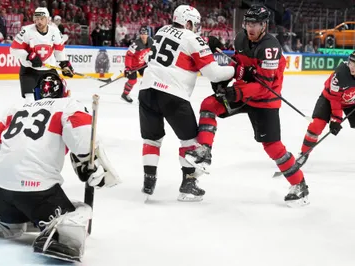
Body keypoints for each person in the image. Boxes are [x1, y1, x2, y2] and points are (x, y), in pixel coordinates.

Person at [0, 74, 120, 262]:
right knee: (80, 210)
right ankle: (61, 238)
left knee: (11, 213)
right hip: (37, 194)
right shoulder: (68, 105)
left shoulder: (16, 107)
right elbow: (84, 143)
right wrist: (92, 163)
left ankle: (2, 219)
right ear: (65, 92)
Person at [185, 4, 309, 206]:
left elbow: (264, 86)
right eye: (248, 23)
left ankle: (300, 186)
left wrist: (238, 90)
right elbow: (238, 64)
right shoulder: (241, 38)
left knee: (273, 147)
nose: (251, 28)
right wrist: (224, 77)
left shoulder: (270, 47)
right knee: (209, 104)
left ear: (264, 25)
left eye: (256, 24)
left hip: (265, 100)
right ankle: (204, 152)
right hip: (244, 93)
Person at [138, 5, 242, 201]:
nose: (196, 28)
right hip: (173, 94)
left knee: (151, 140)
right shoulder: (192, 38)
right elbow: (214, 73)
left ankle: (148, 183)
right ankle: (188, 186)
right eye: (194, 24)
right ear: (187, 22)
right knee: (190, 143)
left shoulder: (161, 30)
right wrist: (236, 69)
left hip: (147, 90)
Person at [298, 51, 355, 167]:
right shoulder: (340, 74)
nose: (352, 67)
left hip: (351, 102)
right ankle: (303, 153)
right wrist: (336, 120)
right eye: (351, 63)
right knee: (316, 125)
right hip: (330, 99)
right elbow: (335, 100)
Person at [10, 7, 74, 101]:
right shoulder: (26, 31)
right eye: (37, 19)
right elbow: (13, 49)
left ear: (48, 19)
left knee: (57, 99)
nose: (39, 21)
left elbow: (59, 50)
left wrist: (64, 63)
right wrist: (28, 56)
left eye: (42, 19)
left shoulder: (55, 31)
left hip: (48, 70)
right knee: (30, 101)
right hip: (29, 70)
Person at [121, 26, 153, 103]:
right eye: (141, 34)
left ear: (148, 34)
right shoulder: (135, 44)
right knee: (133, 80)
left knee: (148, 77)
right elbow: (128, 56)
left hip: (142, 64)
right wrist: (127, 68)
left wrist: (152, 59)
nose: (143, 35)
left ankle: (142, 96)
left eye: (145, 33)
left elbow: (154, 50)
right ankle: (125, 94)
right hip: (132, 66)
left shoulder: (151, 41)